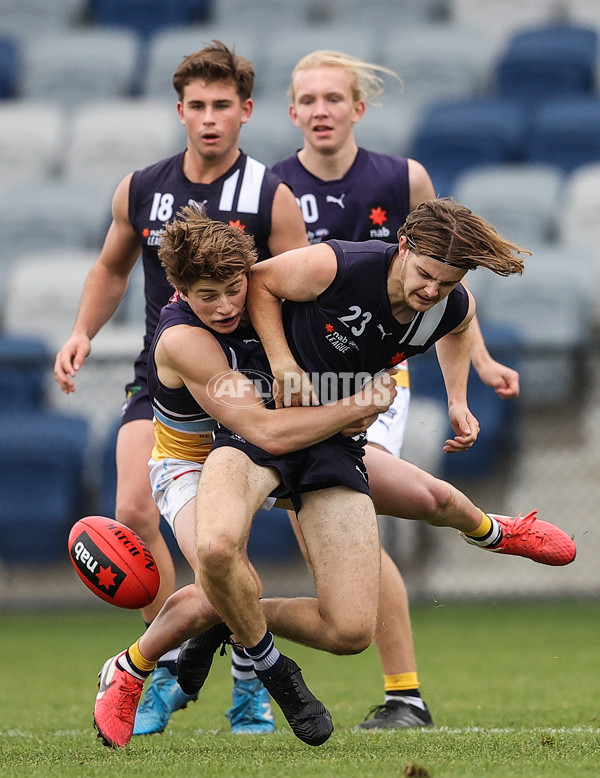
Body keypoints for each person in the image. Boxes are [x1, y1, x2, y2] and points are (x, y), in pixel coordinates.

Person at [92, 203, 575, 749]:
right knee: (217, 568)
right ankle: (142, 668)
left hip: (315, 435)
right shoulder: (200, 328)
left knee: (401, 545)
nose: (229, 305)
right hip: (219, 448)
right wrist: (337, 392)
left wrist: (460, 399)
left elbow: (458, 320)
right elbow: (263, 427)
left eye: (234, 288)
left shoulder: (445, 297)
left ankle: (494, 530)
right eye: (424, 275)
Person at [54, 40, 309, 736]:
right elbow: (111, 267)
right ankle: (163, 670)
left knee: (218, 549)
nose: (208, 118)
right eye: (196, 106)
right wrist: (82, 330)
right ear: (179, 110)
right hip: (160, 379)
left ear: (246, 111)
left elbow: (298, 289)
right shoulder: (142, 187)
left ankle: (245, 681)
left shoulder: (269, 196)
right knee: (134, 510)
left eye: (221, 105)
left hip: (242, 388)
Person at [271, 50, 521, 729]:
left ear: (359, 106)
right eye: (308, 99)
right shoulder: (272, 187)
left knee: (352, 515)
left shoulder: (403, 178)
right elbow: (265, 285)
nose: (321, 109)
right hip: (296, 380)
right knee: (316, 524)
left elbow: (447, 276)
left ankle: (404, 692)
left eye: (334, 97)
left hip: (376, 376)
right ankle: (242, 658)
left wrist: (482, 364)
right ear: (292, 111)